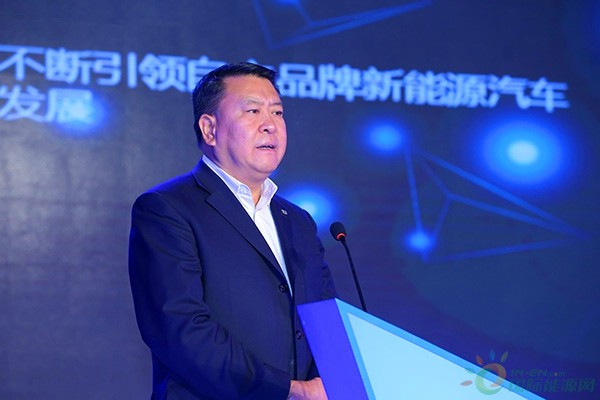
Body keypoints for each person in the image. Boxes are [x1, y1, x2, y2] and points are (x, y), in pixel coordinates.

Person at [128, 62, 337, 400]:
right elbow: (179, 328)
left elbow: (325, 321)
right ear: (209, 129)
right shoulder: (168, 209)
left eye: (278, 112)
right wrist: (289, 390)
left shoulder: (297, 221)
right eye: (253, 111)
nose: (270, 124)